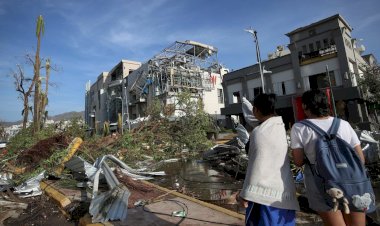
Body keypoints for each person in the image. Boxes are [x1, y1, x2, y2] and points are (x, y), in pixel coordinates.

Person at [290, 89, 366, 226]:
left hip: (321, 184)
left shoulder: (299, 128)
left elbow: (298, 161)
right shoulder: (344, 124)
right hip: (352, 181)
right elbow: (360, 159)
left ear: (305, 107)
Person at [239, 93, 299, 226]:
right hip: (284, 191)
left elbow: (255, 166)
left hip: (264, 196)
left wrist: (244, 193)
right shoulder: (280, 127)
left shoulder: (259, 132)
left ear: (256, 110)